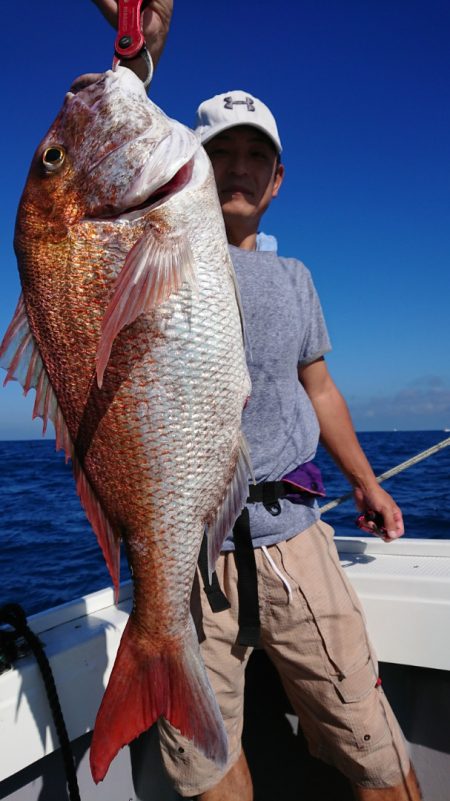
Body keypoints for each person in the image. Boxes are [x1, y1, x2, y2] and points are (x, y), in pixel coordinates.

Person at [92, 3, 422, 800]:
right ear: (192, 167)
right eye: (219, 153)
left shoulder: (296, 278)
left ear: (277, 182)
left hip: (293, 539)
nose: (236, 167)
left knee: (370, 739)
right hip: (189, 551)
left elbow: (321, 387)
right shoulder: (160, 247)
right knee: (204, 756)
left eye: (255, 156)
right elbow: (120, 158)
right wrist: (140, 55)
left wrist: (367, 483)